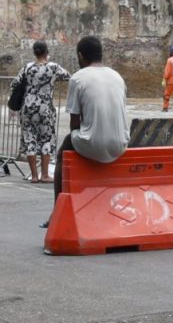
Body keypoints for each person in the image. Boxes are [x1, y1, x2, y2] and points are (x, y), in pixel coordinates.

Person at [46, 36, 129, 227]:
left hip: (94, 144)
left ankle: (57, 210)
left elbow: (75, 123)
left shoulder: (78, 78)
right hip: (121, 144)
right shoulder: (117, 76)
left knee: (63, 151)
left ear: (81, 56)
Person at [8, 41, 70, 183]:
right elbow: (68, 76)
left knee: (30, 139)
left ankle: (34, 176)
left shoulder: (27, 68)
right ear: (46, 52)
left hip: (27, 107)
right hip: (44, 108)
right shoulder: (53, 67)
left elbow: (14, 84)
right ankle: (45, 175)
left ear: (34, 52)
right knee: (46, 139)